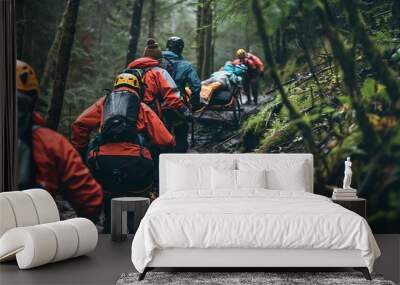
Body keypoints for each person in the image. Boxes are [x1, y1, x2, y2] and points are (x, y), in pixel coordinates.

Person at [71, 72, 175, 232]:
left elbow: (79, 124)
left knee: (109, 196)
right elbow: (167, 140)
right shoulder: (142, 107)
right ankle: (137, 234)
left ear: (116, 86)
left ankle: (110, 231)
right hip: (136, 164)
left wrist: (81, 148)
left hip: (102, 164)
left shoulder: (103, 103)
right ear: (138, 88)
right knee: (140, 195)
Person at [15, 60, 103, 221]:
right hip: (36, 233)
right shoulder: (50, 143)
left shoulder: (106, 100)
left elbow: (80, 123)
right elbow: (91, 201)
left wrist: (81, 146)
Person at [127, 38, 190, 153]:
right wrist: (183, 109)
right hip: (151, 114)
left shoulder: (127, 71)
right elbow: (172, 96)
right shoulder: (159, 72)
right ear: (158, 58)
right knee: (160, 145)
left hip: (129, 113)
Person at [162, 36, 202, 111]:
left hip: (155, 102)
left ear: (168, 46)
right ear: (181, 49)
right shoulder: (187, 65)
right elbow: (196, 86)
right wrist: (194, 104)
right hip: (177, 103)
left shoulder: (156, 60)